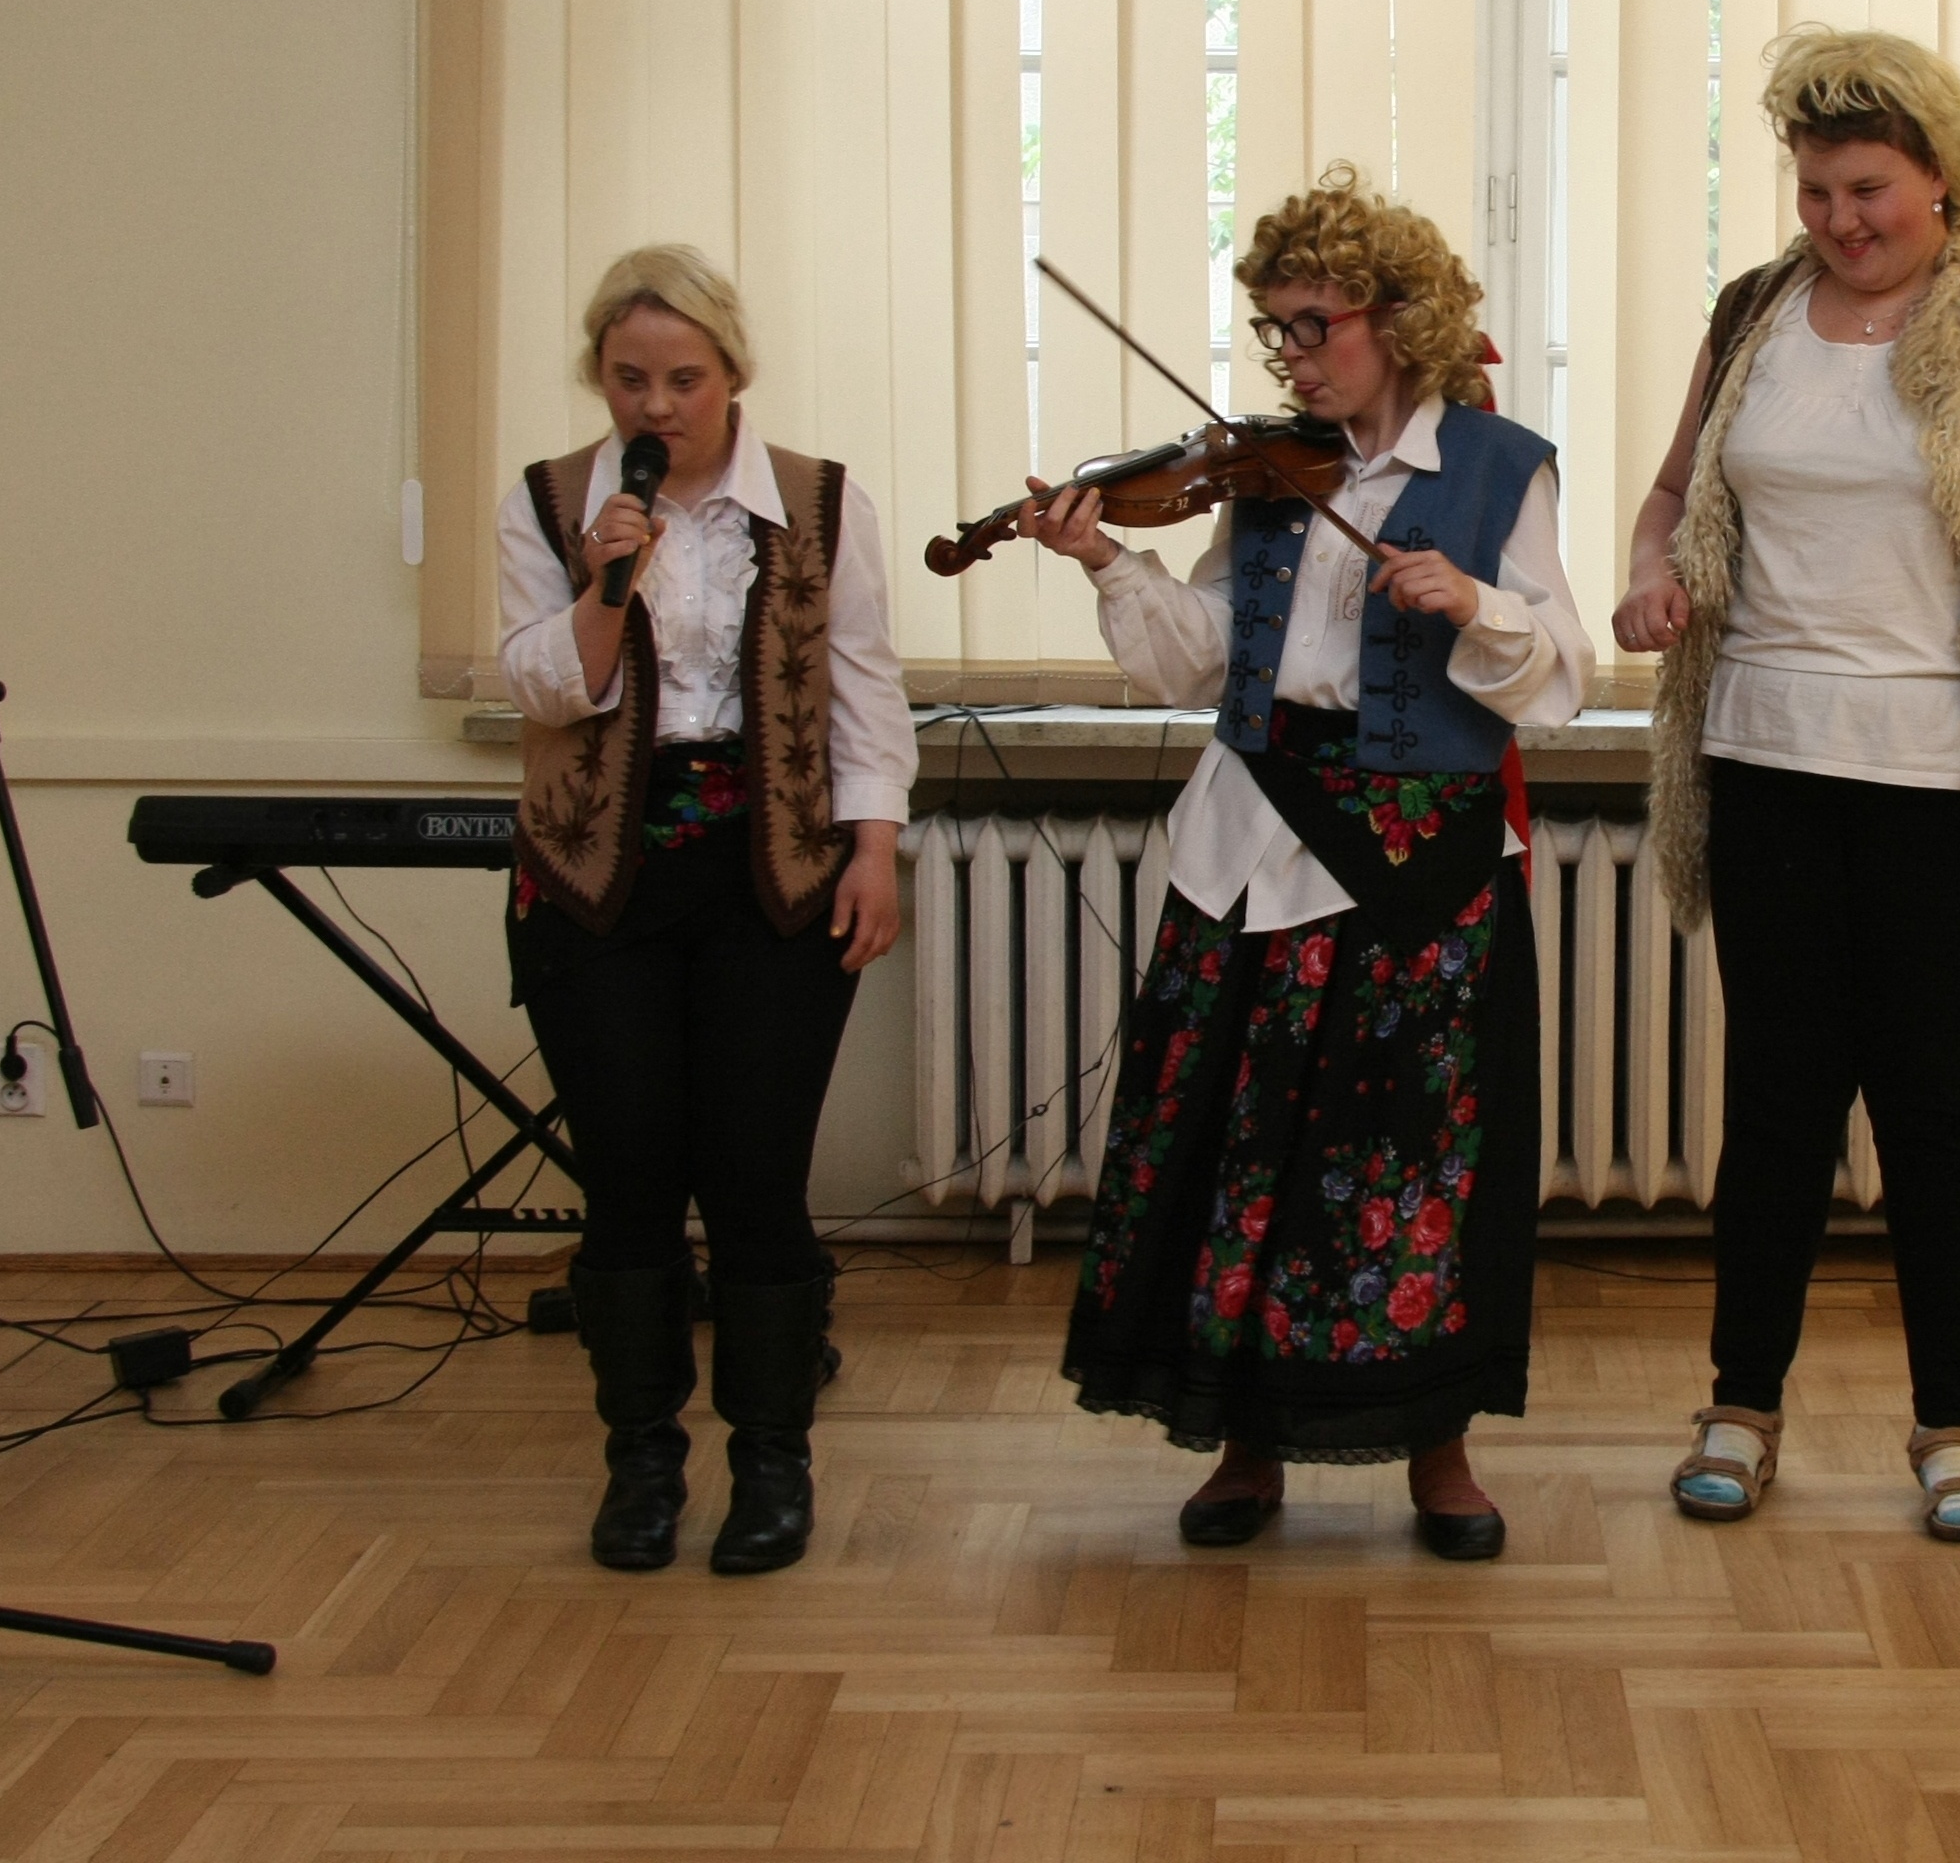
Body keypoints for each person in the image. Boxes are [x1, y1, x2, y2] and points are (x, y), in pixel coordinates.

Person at [1613, 29, 1960, 1541]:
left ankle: (1954, 1426)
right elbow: (1672, 496)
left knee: (1933, 1117)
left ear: (1940, 178)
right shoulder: (1752, 315)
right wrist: (1652, 575)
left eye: (1868, 189)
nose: (1840, 220)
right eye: (1815, 191)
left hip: (1943, 778)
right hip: (1766, 763)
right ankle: (1740, 1408)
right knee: (1776, 1110)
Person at [1018, 165, 1591, 1561]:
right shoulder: (1270, 476)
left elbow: (1565, 677)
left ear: (1397, 318)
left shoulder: (1500, 468)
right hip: (1256, 840)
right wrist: (1108, 566)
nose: (1289, 352)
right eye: (1275, 326)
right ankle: (1247, 1444)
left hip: (1419, 864)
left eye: (1312, 323)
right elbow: (1198, 664)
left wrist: (1476, 603)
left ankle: (1438, 1451)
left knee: (1416, 1159)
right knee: (1239, 1148)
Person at [497, 244, 915, 1575]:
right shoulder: (549, 501)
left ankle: (772, 1462)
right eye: (630, 379)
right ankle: (641, 1462)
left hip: (772, 874)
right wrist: (601, 585)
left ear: (732, 373)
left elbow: (863, 687)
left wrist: (875, 847)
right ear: (599, 379)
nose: (656, 405)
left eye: (682, 378)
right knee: (627, 1183)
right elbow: (539, 688)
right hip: (595, 881)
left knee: (755, 1178)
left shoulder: (820, 501)